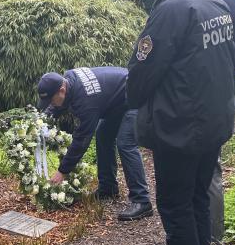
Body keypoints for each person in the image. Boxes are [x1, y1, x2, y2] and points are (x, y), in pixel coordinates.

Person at [128, 0, 235, 245]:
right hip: (213, 122)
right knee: (198, 200)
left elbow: (142, 72)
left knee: (175, 205)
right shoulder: (216, 3)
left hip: (180, 127)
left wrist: (136, 100)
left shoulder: (172, 9)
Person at [37, 67, 153, 221]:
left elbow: (82, 140)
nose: (51, 103)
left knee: (125, 143)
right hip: (118, 102)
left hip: (138, 97)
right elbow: (59, 104)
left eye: (51, 100)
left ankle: (142, 201)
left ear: (62, 90)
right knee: (103, 135)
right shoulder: (68, 79)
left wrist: (62, 171)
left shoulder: (86, 102)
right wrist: (43, 120)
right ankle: (108, 188)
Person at [189, 0, 235, 242]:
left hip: (210, 101)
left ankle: (212, 237)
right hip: (220, 98)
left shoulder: (216, 1)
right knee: (210, 172)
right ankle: (211, 235)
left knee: (209, 174)